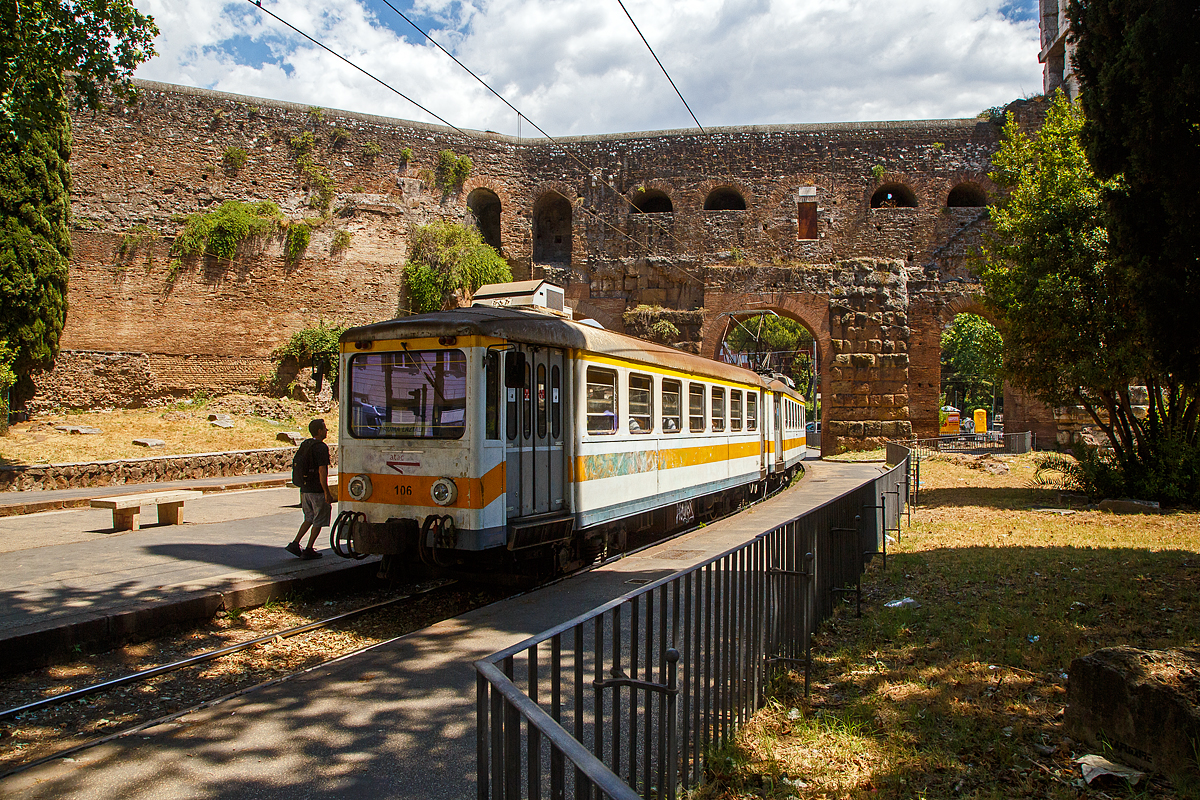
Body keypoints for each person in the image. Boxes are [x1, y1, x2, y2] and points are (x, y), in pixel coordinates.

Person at [286, 418, 335, 559]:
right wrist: (327, 492)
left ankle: (295, 543)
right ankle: (309, 548)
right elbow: (322, 471)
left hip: (304, 489)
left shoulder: (306, 444)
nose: (327, 431)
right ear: (320, 431)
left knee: (308, 518)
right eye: (325, 428)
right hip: (316, 490)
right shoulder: (321, 447)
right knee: (319, 519)